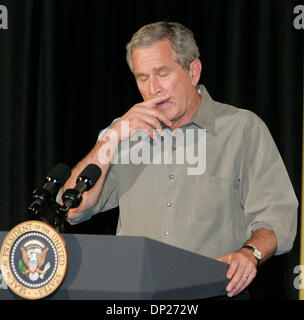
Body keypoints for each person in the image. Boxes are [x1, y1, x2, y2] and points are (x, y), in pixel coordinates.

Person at [62, 21, 298, 298]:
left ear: (193, 70)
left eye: (163, 73)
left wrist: (250, 253)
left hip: (213, 292)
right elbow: (72, 210)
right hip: (136, 297)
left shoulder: (242, 129)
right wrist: (110, 138)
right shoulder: (125, 134)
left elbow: (276, 217)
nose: (153, 88)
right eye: (142, 77)